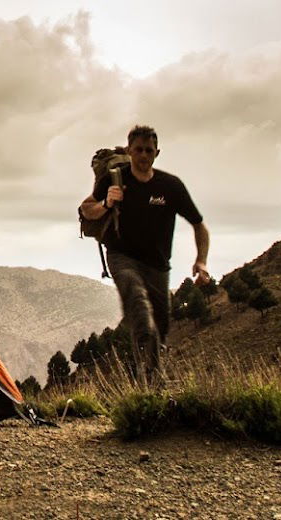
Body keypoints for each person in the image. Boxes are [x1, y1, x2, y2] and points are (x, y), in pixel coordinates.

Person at [79, 125, 208, 379]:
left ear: (157, 153)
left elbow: (199, 225)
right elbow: (86, 209)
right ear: (129, 151)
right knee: (139, 308)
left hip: (158, 266)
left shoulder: (170, 186)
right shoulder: (115, 179)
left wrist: (201, 261)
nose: (143, 155)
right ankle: (149, 384)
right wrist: (107, 203)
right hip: (122, 257)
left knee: (160, 330)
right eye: (138, 149)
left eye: (149, 150)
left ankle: (152, 381)